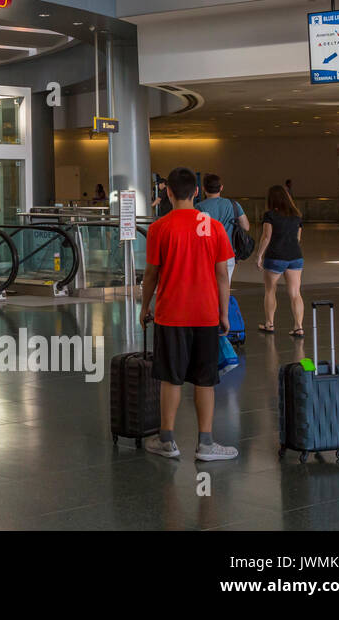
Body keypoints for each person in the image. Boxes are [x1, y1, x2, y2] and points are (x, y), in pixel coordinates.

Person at [139, 166, 237, 461]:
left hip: (171, 314)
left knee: (171, 378)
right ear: (196, 192)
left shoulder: (159, 228)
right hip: (206, 314)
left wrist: (145, 306)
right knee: (206, 379)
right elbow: (222, 275)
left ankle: (167, 440)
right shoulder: (213, 227)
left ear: (168, 192)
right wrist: (224, 313)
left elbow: (151, 275)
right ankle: (206, 444)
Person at [254, 184, 304, 336]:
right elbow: (298, 238)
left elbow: (266, 237)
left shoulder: (270, 215)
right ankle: (298, 327)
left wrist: (259, 255)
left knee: (270, 290)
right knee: (295, 293)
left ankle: (269, 324)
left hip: (275, 257)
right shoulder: (297, 215)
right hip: (295, 256)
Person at [194, 173, 250, 285]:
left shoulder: (199, 207)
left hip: (208, 254)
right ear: (221, 188)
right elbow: (246, 226)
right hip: (228, 252)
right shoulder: (233, 205)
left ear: (204, 189)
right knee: (224, 286)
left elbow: (198, 234)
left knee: (208, 286)